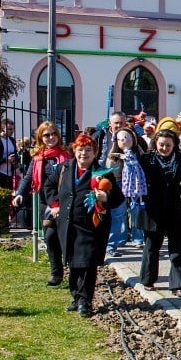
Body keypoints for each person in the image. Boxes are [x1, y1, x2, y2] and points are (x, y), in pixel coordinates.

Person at [44, 133, 124, 314]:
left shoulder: (103, 173)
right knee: (73, 262)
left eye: (89, 150)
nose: (84, 154)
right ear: (74, 151)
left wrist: (106, 198)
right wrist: (55, 204)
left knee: (87, 263)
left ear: (95, 153)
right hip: (67, 225)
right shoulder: (64, 168)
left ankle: (85, 301)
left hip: (92, 226)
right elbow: (48, 186)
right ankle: (76, 297)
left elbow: (118, 198)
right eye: (80, 150)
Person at [137, 129, 181, 297]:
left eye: (168, 145)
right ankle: (148, 279)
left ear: (174, 145)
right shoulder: (146, 160)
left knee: (178, 249)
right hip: (153, 211)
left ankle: (179, 285)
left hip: (177, 210)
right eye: (161, 144)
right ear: (155, 144)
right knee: (152, 247)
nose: (164, 148)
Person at [12, 122, 72, 285]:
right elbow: (28, 177)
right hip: (46, 203)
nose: (51, 137)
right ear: (40, 138)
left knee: (67, 237)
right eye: (46, 135)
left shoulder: (67, 155)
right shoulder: (38, 157)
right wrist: (19, 194)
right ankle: (56, 273)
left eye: (53, 134)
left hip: (65, 202)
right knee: (50, 237)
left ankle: (73, 270)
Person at [104, 126, 146, 256]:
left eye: (126, 138)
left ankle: (138, 239)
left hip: (136, 186)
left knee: (136, 212)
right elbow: (108, 168)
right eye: (120, 139)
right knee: (118, 214)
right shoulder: (114, 155)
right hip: (117, 185)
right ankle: (113, 242)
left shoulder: (139, 154)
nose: (123, 141)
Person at [0, 118, 18, 190]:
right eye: (9, 129)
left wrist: (15, 159)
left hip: (10, 173)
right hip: (0, 173)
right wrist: (6, 160)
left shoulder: (12, 140)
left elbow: (15, 153)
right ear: (2, 129)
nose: (12, 131)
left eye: (13, 129)